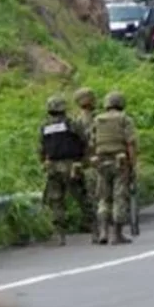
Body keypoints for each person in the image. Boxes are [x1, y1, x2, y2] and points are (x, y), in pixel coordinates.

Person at [39, 95, 89, 247]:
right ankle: (95, 228)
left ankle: (59, 234)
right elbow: (84, 140)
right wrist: (83, 160)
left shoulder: (44, 126)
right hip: (71, 164)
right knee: (82, 197)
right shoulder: (72, 123)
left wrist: (44, 162)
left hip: (52, 166)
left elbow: (41, 148)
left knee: (56, 201)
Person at [91, 91, 139, 244]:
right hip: (120, 162)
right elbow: (130, 143)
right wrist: (133, 164)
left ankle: (103, 232)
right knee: (119, 197)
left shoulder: (97, 120)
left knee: (103, 198)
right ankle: (117, 234)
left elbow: (92, 142)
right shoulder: (125, 119)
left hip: (101, 162)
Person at [72, 87, 101, 244]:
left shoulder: (74, 120)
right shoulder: (98, 118)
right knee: (96, 193)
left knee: (86, 194)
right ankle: (98, 224)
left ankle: (90, 222)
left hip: (81, 162)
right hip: (95, 160)